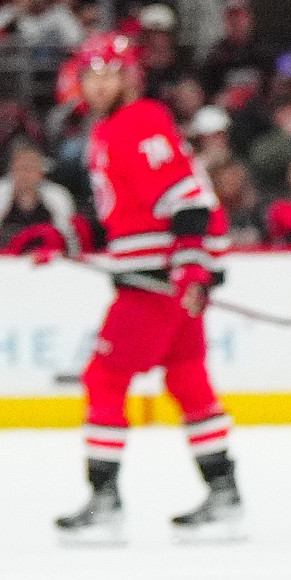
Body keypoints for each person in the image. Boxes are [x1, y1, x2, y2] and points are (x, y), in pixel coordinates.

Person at [52, 32, 240, 544]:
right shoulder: (111, 129)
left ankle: (105, 497)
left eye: (103, 73)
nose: (93, 85)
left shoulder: (139, 121)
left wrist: (192, 269)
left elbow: (189, 200)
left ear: (126, 75)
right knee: (188, 382)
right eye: (88, 74)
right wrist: (62, 236)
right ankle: (225, 493)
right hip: (163, 277)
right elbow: (121, 217)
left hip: (155, 282)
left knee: (105, 380)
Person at [0, 136, 79, 253]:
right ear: (11, 170)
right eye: (22, 168)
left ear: (41, 172)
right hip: (2, 259)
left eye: (31, 168)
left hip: (47, 259)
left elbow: (69, 237)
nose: (26, 174)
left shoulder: (59, 196)